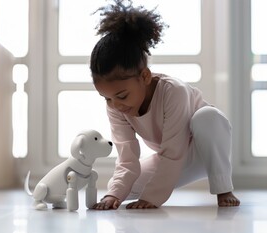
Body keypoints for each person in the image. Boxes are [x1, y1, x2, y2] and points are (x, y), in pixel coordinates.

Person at [90, 0, 240, 210]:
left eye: (121, 96)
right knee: (128, 189)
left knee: (207, 116)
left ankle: (224, 188)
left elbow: (173, 152)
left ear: (144, 76)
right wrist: (113, 194)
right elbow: (127, 159)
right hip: (174, 157)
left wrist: (152, 198)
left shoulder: (174, 91)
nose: (115, 105)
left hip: (205, 147)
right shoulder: (116, 106)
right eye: (107, 98)